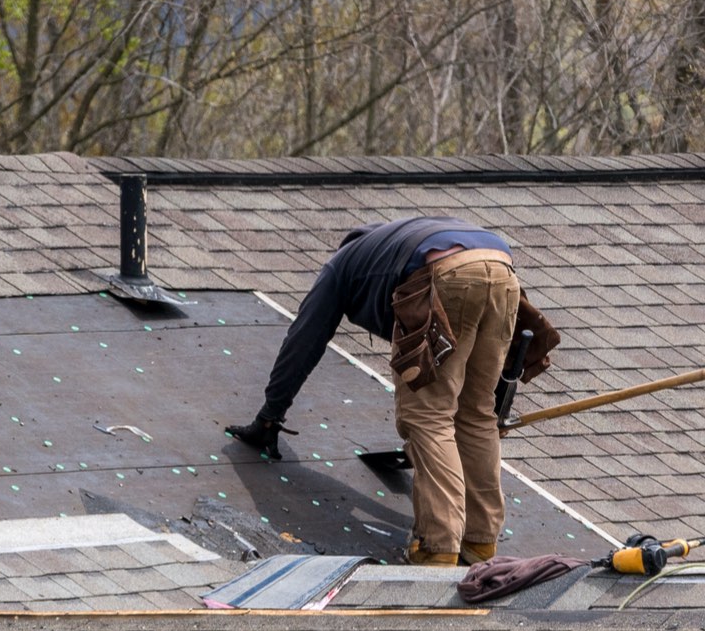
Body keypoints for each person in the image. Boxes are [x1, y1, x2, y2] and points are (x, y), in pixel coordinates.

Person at [226, 216, 556, 566]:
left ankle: (438, 546)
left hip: (446, 275)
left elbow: (303, 341)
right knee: (476, 413)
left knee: (428, 416)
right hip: (502, 270)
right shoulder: (394, 247)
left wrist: (270, 415)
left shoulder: (342, 267)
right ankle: (479, 541)